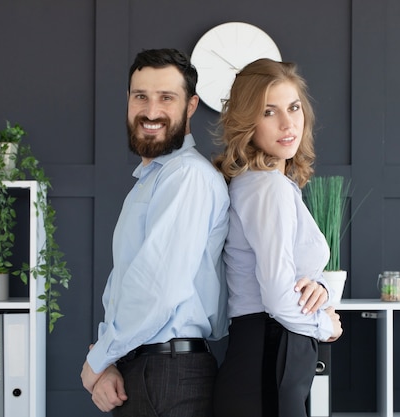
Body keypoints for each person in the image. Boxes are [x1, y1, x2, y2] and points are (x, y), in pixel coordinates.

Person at [80, 48, 330, 417]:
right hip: (154, 368)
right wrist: (103, 359)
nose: (151, 110)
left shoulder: (188, 177)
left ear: (192, 105)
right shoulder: (167, 181)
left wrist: (100, 359)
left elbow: (158, 289)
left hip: (168, 372)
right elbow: (136, 287)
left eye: (166, 97)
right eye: (140, 97)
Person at [212, 58, 344, 417]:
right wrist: (324, 325)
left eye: (294, 107)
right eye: (269, 112)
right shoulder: (268, 187)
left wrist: (323, 289)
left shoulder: (264, 183)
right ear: (246, 121)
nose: (288, 124)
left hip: (264, 355)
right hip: (269, 354)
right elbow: (275, 295)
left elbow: (291, 277)